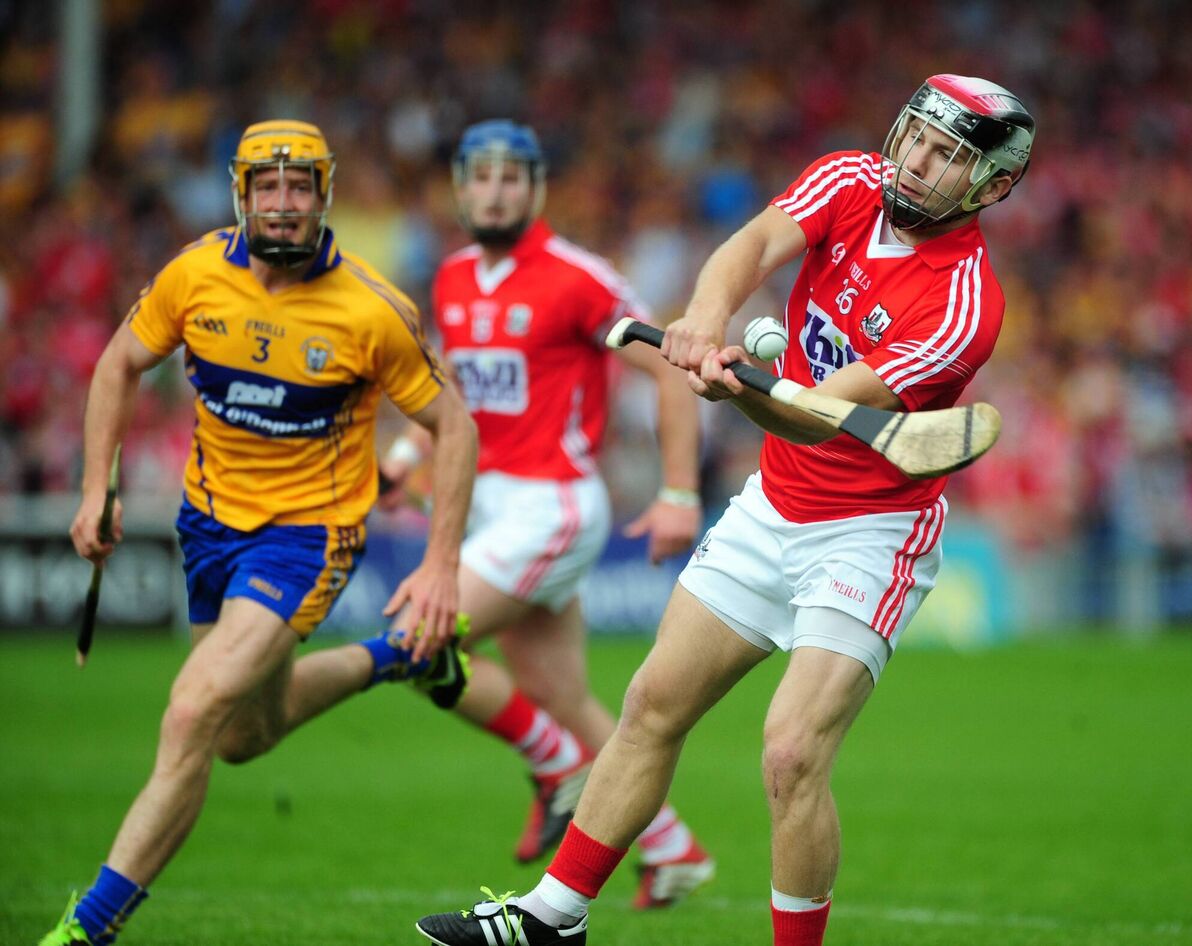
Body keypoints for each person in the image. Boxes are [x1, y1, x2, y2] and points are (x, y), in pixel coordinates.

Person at [415, 73, 1036, 946]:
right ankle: (551, 919)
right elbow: (748, 247)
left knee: (790, 754)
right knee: (651, 702)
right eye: (915, 137)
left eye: (948, 156)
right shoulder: (852, 179)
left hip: (869, 535)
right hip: (772, 505)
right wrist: (704, 323)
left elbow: (821, 420)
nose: (917, 161)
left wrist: (740, 392)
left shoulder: (964, 304)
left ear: (993, 185)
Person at [40, 119, 478, 946]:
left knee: (193, 708)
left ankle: (85, 930)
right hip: (208, 524)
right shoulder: (195, 274)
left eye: (301, 187)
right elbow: (117, 365)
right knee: (242, 736)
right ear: (241, 194)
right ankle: (403, 655)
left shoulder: (373, 310)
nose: (284, 205)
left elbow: (453, 426)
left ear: (326, 195)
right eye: (268, 188)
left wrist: (441, 563)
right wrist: (95, 489)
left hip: (307, 536)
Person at [379, 119, 714, 906]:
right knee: (563, 697)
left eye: (510, 176)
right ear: (459, 189)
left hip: (552, 506)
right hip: (492, 507)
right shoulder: (455, 275)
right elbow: (453, 395)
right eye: (479, 177)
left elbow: (670, 365)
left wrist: (677, 493)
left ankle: (560, 768)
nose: (493, 190)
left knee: (413, 639)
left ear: (535, 188)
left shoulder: (576, 277)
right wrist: (403, 458)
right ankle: (671, 847)